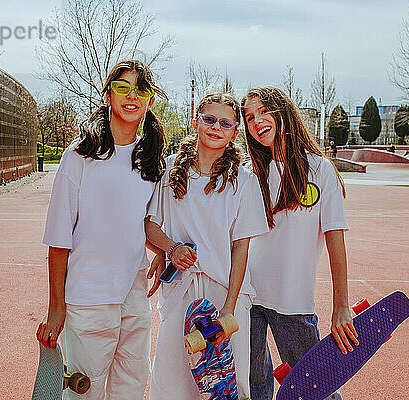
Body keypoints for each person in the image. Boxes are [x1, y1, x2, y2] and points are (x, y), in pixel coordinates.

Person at [36, 60, 166, 400]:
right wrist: (56, 306)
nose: (132, 95)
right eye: (122, 87)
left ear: (151, 100)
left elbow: (145, 224)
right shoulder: (79, 156)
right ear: (108, 95)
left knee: (131, 388)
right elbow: (59, 238)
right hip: (89, 298)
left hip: (134, 298)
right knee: (84, 392)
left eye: (141, 89)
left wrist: (166, 250)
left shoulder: (150, 160)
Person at [145, 92, 269, 399]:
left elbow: (241, 247)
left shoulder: (243, 179)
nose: (216, 127)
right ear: (195, 119)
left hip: (226, 291)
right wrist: (171, 249)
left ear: (234, 132)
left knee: (229, 385)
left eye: (225, 123)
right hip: (181, 291)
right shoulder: (170, 168)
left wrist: (229, 306)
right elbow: (149, 224)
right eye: (209, 119)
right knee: (172, 381)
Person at [241, 87, 358, 400]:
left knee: (317, 387)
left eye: (264, 112)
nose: (256, 121)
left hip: (293, 302)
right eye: (249, 117)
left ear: (282, 113)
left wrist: (342, 306)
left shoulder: (320, 170)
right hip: (246, 298)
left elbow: (335, 240)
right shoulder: (248, 174)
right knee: (255, 386)